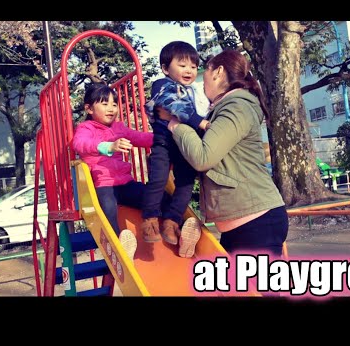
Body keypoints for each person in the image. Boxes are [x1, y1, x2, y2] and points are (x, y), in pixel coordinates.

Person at [158, 49, 289, 257]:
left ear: (218, 72)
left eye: (205, 74)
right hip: (242, 225)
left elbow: (203, 158)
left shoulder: (236, 106)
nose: (202, 83)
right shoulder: (221, 109)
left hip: (256, 222)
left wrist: (175, 125)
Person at [140, 41, 208, 256]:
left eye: (193, 66)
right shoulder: (161, 85)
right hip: (164, 142)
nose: (189, 70)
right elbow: (174, 105)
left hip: (183, 144)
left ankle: (171, 221)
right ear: (165, 68)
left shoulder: (195, 92)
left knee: (186, 183)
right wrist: (201, 122)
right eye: (182, 65)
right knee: (159, 179)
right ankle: (150, 219)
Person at [72, 83, 154, 262]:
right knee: (107, 209)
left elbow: (141, 138)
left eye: (114, 104)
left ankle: (173, 225)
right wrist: (108, 146)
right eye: (104, 103)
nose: (111, 108)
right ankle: (119, 246)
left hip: (125, 183)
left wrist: (167, 137)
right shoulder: (86, 129)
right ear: (89, 108)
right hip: (104, 185)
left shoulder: (119, 128)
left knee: (153, 196)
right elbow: (80, 144)